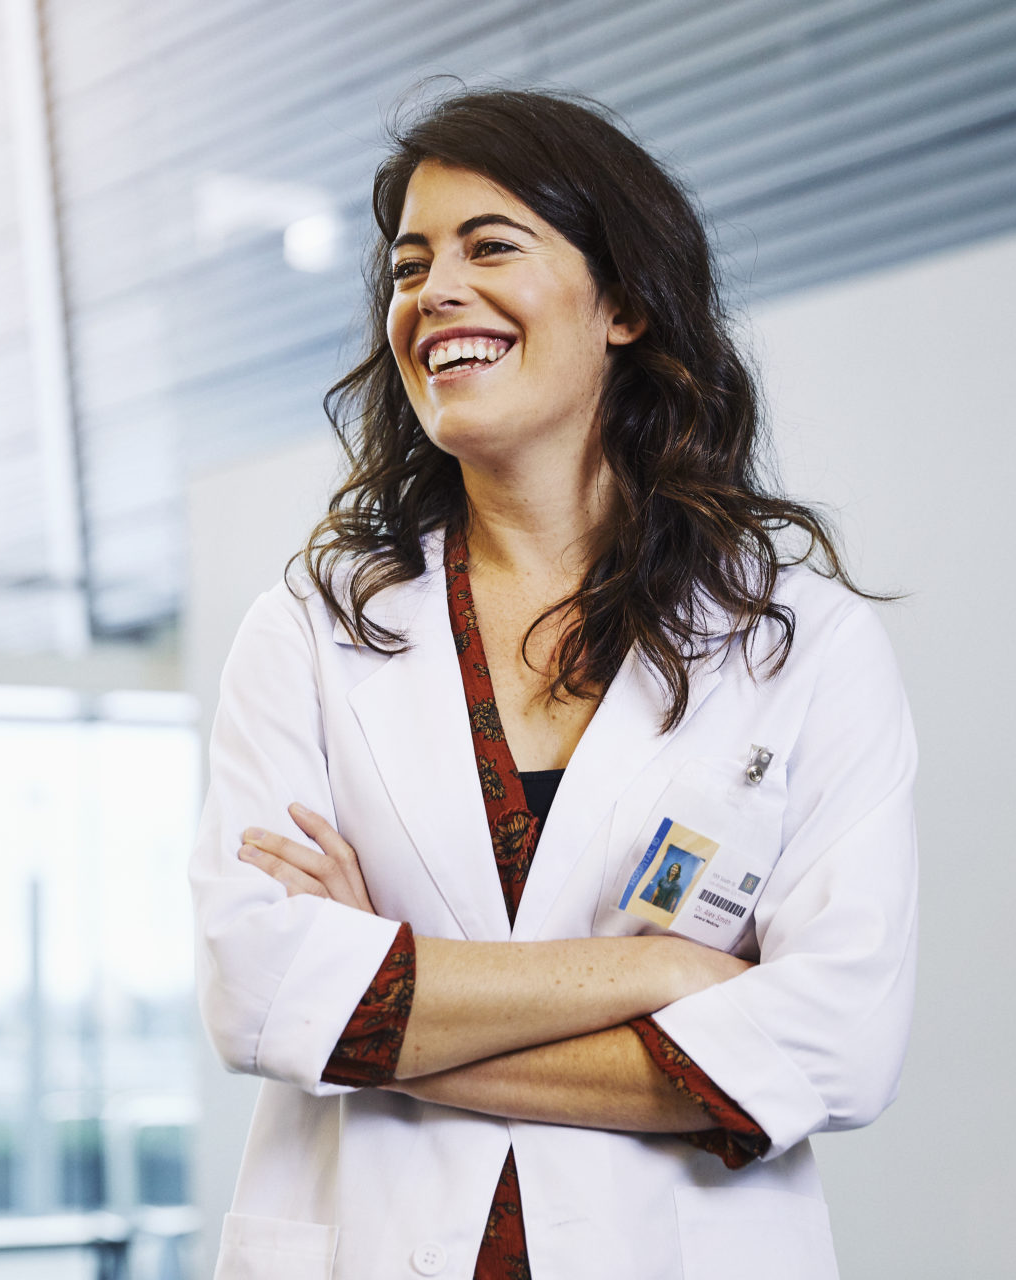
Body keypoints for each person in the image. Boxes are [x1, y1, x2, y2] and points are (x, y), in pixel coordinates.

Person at [189, 87, 917, 1280]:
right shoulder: (312, 635)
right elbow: (259, 989)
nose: (434, 293)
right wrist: (654, 975)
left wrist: (379, 990)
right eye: (411, 265)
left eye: (492, 246)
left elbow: (838, 1043)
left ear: (624, 301)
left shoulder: (800, 645)